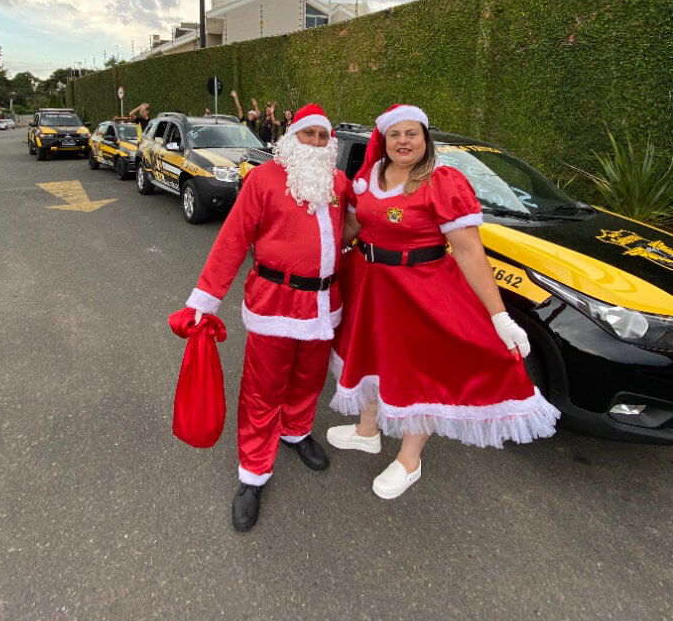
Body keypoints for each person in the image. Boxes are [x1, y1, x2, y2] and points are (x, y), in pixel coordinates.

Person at [327, 103, 560, 501]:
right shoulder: (367, 176)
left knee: (420, 372)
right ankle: (367, 431)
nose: (403, 141)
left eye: (412, 133)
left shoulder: (442, 182)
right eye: (395, 134)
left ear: (425, 138)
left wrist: (499, 316)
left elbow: (469, 251)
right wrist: (317, 256)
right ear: (384, 139)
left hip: (420, 292)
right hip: (368, 284)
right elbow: (351, 225)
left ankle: (409, 461)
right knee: (368, 355)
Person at [183, 104, 352, 531]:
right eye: (308, 134)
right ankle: (253, 472)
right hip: (274, 304)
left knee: (309, 380)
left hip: (323, 306)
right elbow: (232, 240)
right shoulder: (263, 180)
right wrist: (204, 301)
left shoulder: (338, 182)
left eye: (322, 136)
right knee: (263, 391)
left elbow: (359, 227)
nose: (316, 142)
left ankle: (296, 431)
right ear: (292, 137)